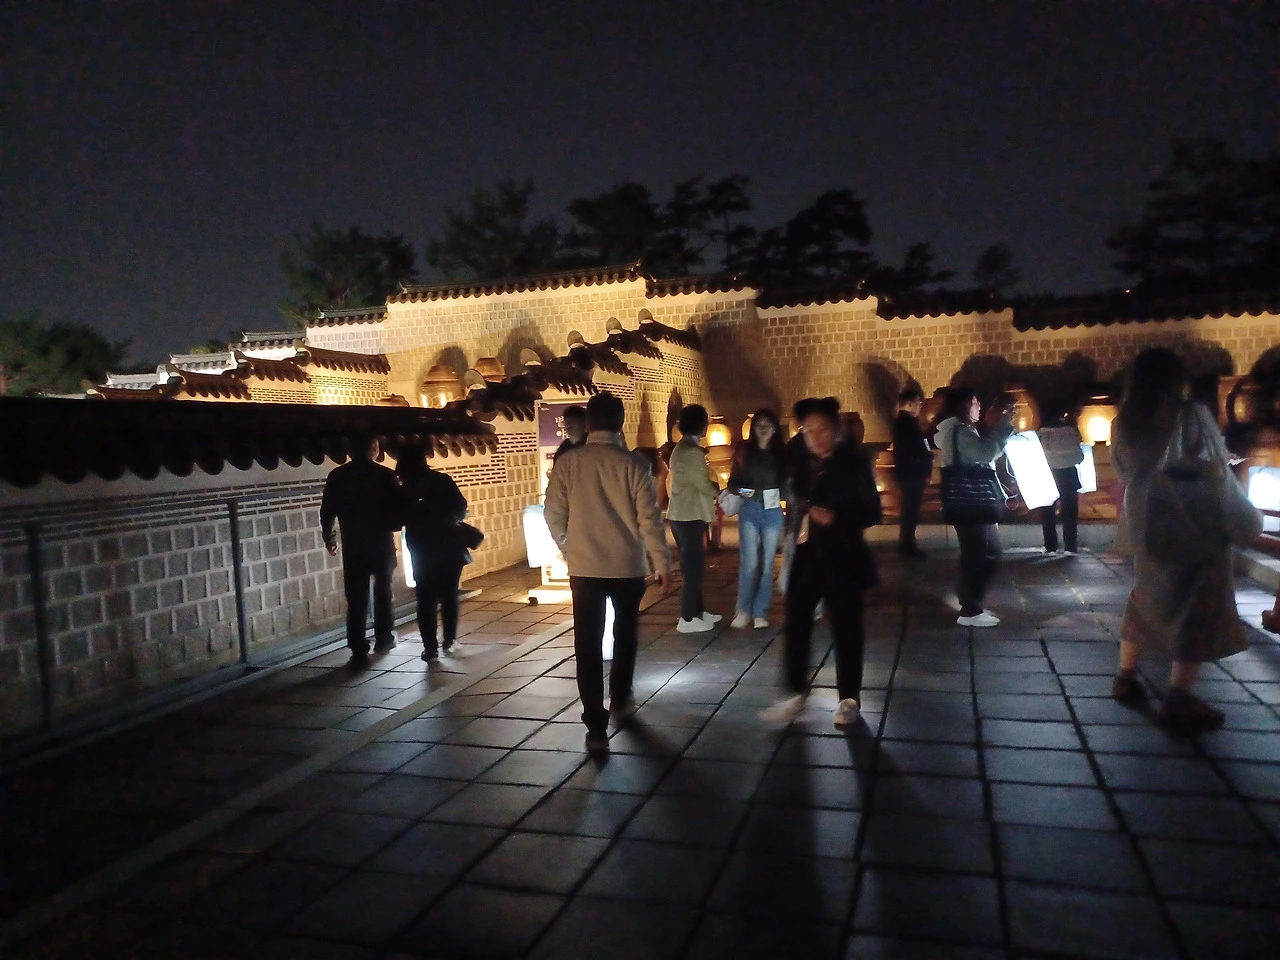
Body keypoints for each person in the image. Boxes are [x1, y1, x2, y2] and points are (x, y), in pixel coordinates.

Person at [1111, 348, 1259, 733]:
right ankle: (1179, 696)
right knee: (1197, 605)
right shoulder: (1190, 414)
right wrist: (1243, 517)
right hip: (1193, 516)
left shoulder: (1124, 420)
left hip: (1146, 517)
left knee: (1147, 596)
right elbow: (1212, 466)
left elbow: (1123, 468)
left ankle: (1125, 676)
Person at [544, 392, 671, 753]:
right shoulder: (634, 464)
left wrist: (569, 547)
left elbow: (552, 513)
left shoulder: (570, 463)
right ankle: (620, 697)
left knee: (586, 643)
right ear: (620, 422)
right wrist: (661, 562)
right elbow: (649, 519)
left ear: (589, 422)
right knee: (625, 634)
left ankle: (595, 725)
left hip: (585, 567)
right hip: (627, 566)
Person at [764, 397, 882, 728]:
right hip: (806, 555)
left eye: (822, 429)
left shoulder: (853, 463)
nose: (815, 437)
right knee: (796, 623)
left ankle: (848, 698)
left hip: (843, 556)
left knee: (846, 628)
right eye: (808, 430)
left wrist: (837, 517)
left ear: (836, 429)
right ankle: (795, 690)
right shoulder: (800, 461)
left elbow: (872, 511)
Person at [935, 387, 1016, 627]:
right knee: (977, 555)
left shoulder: (961, 430)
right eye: (975, 402)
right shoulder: (959, 431)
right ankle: (970, 611)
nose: (979, 407)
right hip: (970, 501)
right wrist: (1002, 426)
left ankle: (967, 596)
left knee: (988, 552)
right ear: (963, 405)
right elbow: (985, 452)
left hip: (972, 502)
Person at [320, 434, 401, 667]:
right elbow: (398, 509)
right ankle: (384, 637)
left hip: (353, 543)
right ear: (374, 448)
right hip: (381, 542)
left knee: (356, 596)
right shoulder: (385, 475)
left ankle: (357, 645)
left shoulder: (338, 476)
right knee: (384, 591)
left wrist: (330, 537)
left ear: (350, 450)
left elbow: (327, 510)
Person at [396, 444, 469, 663]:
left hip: (421, 549)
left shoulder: (405, 489)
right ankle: (449, 640)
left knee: (425, 598)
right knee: (449, 594)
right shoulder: (442, 480)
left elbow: (397, 519)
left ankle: (430, 649)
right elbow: (461, 506)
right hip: (449, 545)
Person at [665, 404, 723, 633]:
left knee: (693, 567)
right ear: (702, 425)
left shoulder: (683, 448)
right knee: (693, 569)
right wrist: (719, 490)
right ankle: (687, 618)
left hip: (683, 515)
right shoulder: (691, 452)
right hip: (689, 516)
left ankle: (698, 612)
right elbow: (702, 485)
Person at [729, 408, 787, 629]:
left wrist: (783, 494)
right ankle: (743, 610)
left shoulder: (781, 455)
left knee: (767, 564)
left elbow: (788, 486)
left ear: (775, 429)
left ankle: (760, 611)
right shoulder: (744, 452)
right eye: (759, 425)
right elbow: (733, 484)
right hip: (750, 510)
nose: (763, 429)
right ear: (753, 429)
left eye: (767, 425)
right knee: (750, 562)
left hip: (772, 511)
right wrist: (747, 492)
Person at [892, 385, 933, 558]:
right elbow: (913, 449)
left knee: (910, 510)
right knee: (910, 511)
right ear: (909, 403)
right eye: (918, 403)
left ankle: (907, 545)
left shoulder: (904, 422)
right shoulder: (907, 423)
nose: (920, 406)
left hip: (908, 472)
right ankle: (907, 547)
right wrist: (926, 457)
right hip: (912, 473)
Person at [1037, 409, 1085, 555]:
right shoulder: (1071, 432)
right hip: (1068, 475)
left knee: (1047, 512)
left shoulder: (1041, 434)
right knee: (1070, 511)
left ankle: (1050, 546)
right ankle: (1070, 547)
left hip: (1047, 474)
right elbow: (1079, 457)